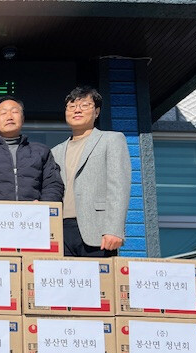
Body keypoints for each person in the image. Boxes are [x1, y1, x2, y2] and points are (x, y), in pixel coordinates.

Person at [51, 86, 131, 257]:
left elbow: (119, 186)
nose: (77, 110)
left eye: (85, 105)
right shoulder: (55, 151)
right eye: (72, 106)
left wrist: (114, 230)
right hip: (61, 230)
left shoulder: (112, 140)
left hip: (98, 231)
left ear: (97, 112)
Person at [0, 96, 63, 202]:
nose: (9, 117)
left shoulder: (41, 151)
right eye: (3, 113)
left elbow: (53, 185)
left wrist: (43, 205)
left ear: (23, 119)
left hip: (33, 211)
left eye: (14, 112)